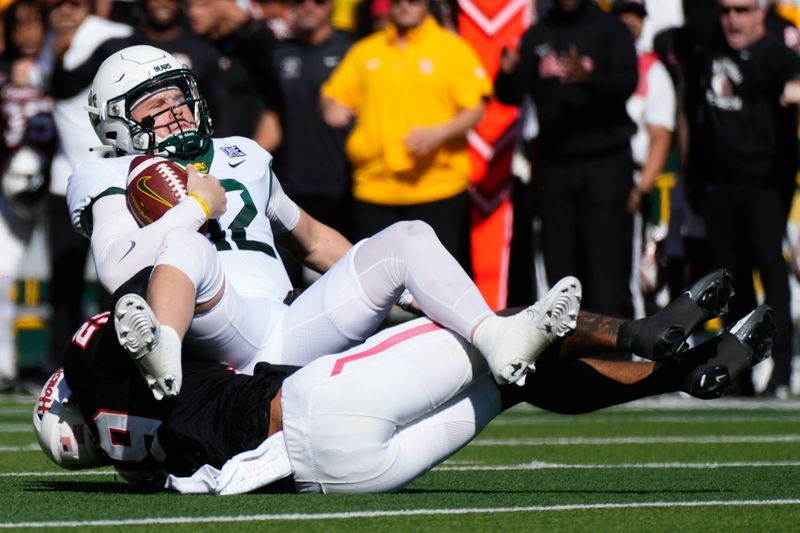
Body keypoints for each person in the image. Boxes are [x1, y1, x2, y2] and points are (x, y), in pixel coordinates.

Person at [68, 44, 581, 399]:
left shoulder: (243, 152)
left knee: (407, 237)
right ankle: (164, 354)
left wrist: (400, 288)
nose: (176, 111)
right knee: (191, 248)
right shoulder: (108, 171)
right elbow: (117, 270)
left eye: (179, 96)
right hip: (215, 326)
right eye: (156, 105)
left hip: (286, 324)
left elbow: (312, 241)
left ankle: (497, 336)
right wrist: (197, 209)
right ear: (117, 122)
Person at [33, 267, 772, 494]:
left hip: (334, 477)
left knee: (517, 376)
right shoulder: (96, 362)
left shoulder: (132, 465)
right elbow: (129, 313)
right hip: (313, 404)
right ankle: (651, 332)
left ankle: (678, 372)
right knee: (505, 327)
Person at [680, 0, 800, 398]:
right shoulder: (710, 45)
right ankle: (738, 371)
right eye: (727, 10)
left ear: (761, 13)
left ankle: (782, 371)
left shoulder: (776, 54)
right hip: (721, 182)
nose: (734, 18)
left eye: (743, 9)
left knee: (769, 266)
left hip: (767, 181)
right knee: (729, 280)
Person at [321, 0, 490, 273]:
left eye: (413, 1)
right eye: (397, 1)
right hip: (374, 187)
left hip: (437, 187)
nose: (404, 6)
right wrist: (331, 106)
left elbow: (476, 108)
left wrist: (440, 133)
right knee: (374, 286)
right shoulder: (366, 50)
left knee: (438, 282)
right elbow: (333, 93)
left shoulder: (451, 48)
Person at [494, 0, 639, 318]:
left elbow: (627, 84)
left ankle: (612, 361)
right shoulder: (537, 35)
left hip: (605, 163)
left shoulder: (611, 29)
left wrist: (589, 79)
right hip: (556, 165)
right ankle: (571, 360)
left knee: (604, 268)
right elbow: (514, 94)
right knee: (561, 273)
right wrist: (505, 76)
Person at [43, 0, 133, 375]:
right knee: (64, 283)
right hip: (64, 179)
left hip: (113, 179)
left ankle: (114, 363)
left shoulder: (112, 35)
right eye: (56, 4)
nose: (65, 10)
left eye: (74, 2)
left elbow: (67, 86)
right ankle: (61, 367)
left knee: (115, 277)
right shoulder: (47, 42)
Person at [268, 0, 355, 283]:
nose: (308, 6)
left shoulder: (352, 50)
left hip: (344, 185)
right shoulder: (280, 53)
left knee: (347, 276)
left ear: (331, 6)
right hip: (292, 184)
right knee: (288, 280)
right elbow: (273, 116)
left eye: (317, 1)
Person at [0, 0, 56, 388]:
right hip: (10, 185)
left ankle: (59, 363)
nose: (28, 34)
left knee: (63, 275)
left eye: (35, 25)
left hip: (57, 183)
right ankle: (4, 364)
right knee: (2, 273)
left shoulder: (62, 68)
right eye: (20, 26)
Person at [613, 0, 676, 313]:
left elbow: (661, 137)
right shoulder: (595, 60)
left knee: (634, 276)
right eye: (622, 14)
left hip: (632, 180)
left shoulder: (651, 69)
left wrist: (641, 189)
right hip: (593, 176)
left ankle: (633, 355)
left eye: (635, 16)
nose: (629, 22)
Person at [136, 0, 230, 136]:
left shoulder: (203, 50)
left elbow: (219, 107)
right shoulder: (121, 46)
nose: (163, 3)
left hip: (191, 137)